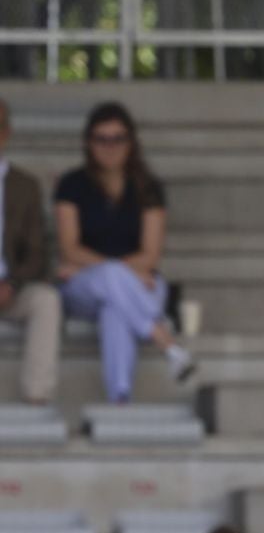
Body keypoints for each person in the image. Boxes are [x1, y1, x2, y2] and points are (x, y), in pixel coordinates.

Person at [54, 103, 194, 403]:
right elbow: (69, 248)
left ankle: (120, 397)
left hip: (133, 283)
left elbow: (151, 254)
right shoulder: (71, 185)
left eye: (118, 138)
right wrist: (113, 272)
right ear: (88, 142)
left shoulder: (148, 188)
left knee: (115, 309)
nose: (109, 147)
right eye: (101, 139)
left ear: (131, 142)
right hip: (86, 287)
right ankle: (167, 343)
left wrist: (111, 273)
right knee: (112, 280)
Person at [0, 97, 61, 405]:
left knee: (46, 301)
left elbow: (38, 252)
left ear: (5, 134)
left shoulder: (25, 186)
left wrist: (11, 284)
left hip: (10, 287)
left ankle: (37, 396)